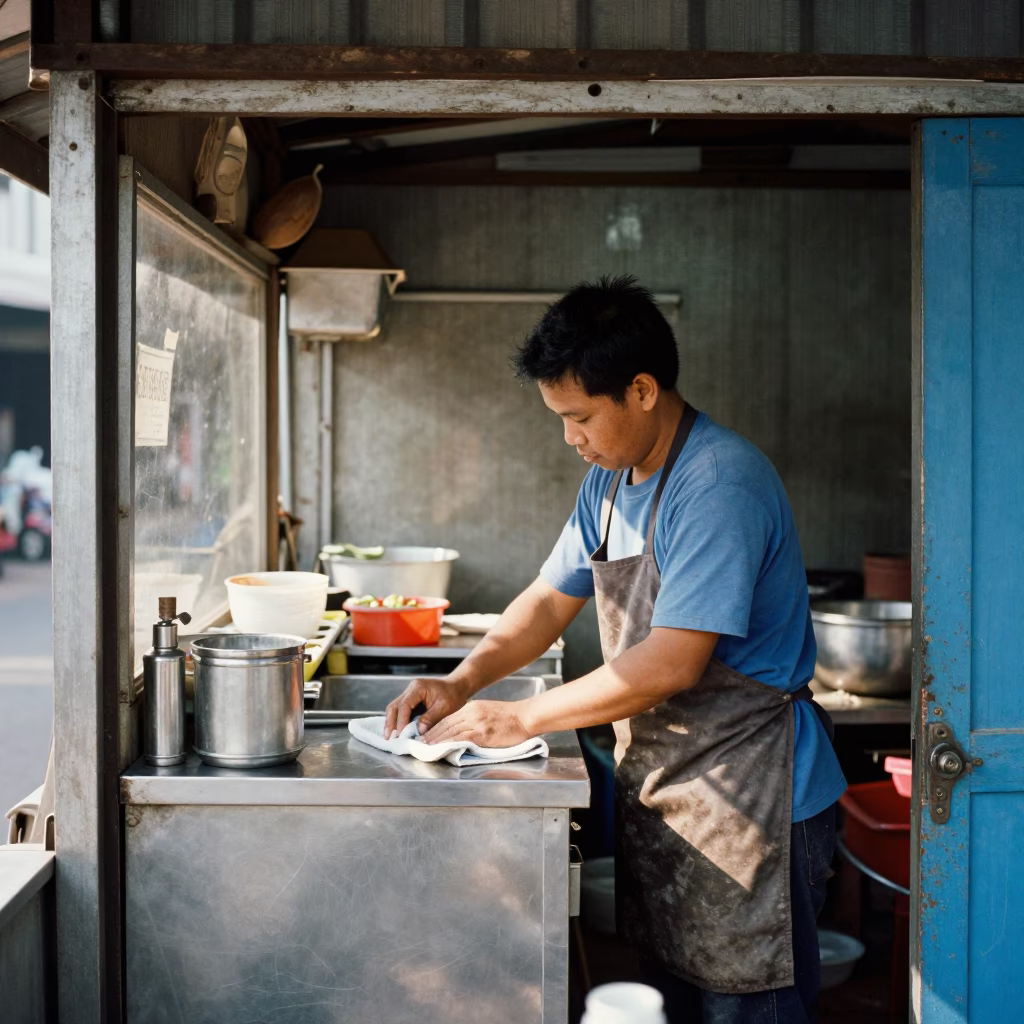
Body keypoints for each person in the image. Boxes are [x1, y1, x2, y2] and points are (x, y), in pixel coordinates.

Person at [384, 275, 846, 1024]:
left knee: (747, 1010)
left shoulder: (719, 484)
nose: (571, 438)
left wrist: (521, 719)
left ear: (641, 390)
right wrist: (461, 683)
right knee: (673, 1004)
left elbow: (670, 663)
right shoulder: (607, 483)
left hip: (757, 802)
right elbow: (544, 601)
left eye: (579, 417)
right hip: (674, 793)